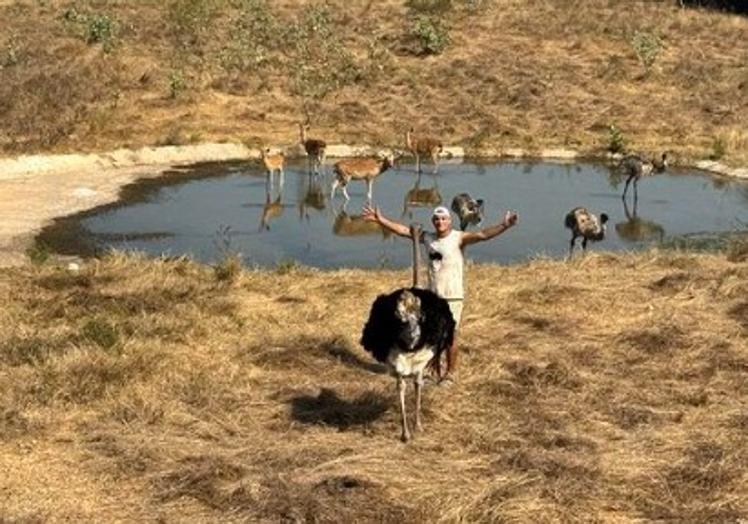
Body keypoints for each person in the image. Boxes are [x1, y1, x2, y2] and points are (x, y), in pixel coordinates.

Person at [362, 203, 518, 383]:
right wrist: (381, 220)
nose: (440, 222)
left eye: (443, 219)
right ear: (433, 221)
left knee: (451, 335)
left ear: (450, 221)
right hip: (433, 297)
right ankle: (432, 371)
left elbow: (482, 235)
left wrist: (504, 225)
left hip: (453, 295)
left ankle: (450, 374)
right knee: (433, 335)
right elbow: (404, 231)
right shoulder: (428, 237)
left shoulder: (459, 238)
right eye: (437, 219)